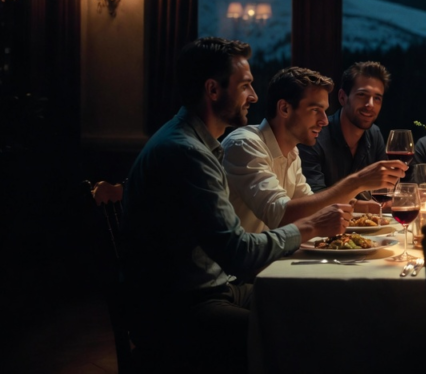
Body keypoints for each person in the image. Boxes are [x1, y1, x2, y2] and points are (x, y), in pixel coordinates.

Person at [121, 37, 353, 373]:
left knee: (314, 305)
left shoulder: (197, 144)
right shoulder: (187, 153)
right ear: (213, 90)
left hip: (214, 288)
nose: (255, 97)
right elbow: (238, 252)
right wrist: (311, 226)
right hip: (178, 309)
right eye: (245, 86)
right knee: (301, 332)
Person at [223, 67, 405, 234]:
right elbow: (280, 215)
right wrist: (358, 181)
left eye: (325, 111)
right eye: (315, 110)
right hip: (237, 267)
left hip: (271, 260)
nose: (324, 120)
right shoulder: (245, 144)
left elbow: (314, 207)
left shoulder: (292, 153)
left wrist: (369, 207)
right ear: (284, 108)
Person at [299, 61, 403, 209]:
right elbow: (315, 200)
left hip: (369, 230)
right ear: (342, 97)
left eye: (377, 98)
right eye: (362, 95)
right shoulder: (314, 136)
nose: (370, 104)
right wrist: (367, 204)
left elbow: (386, 192)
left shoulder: (374, 134)